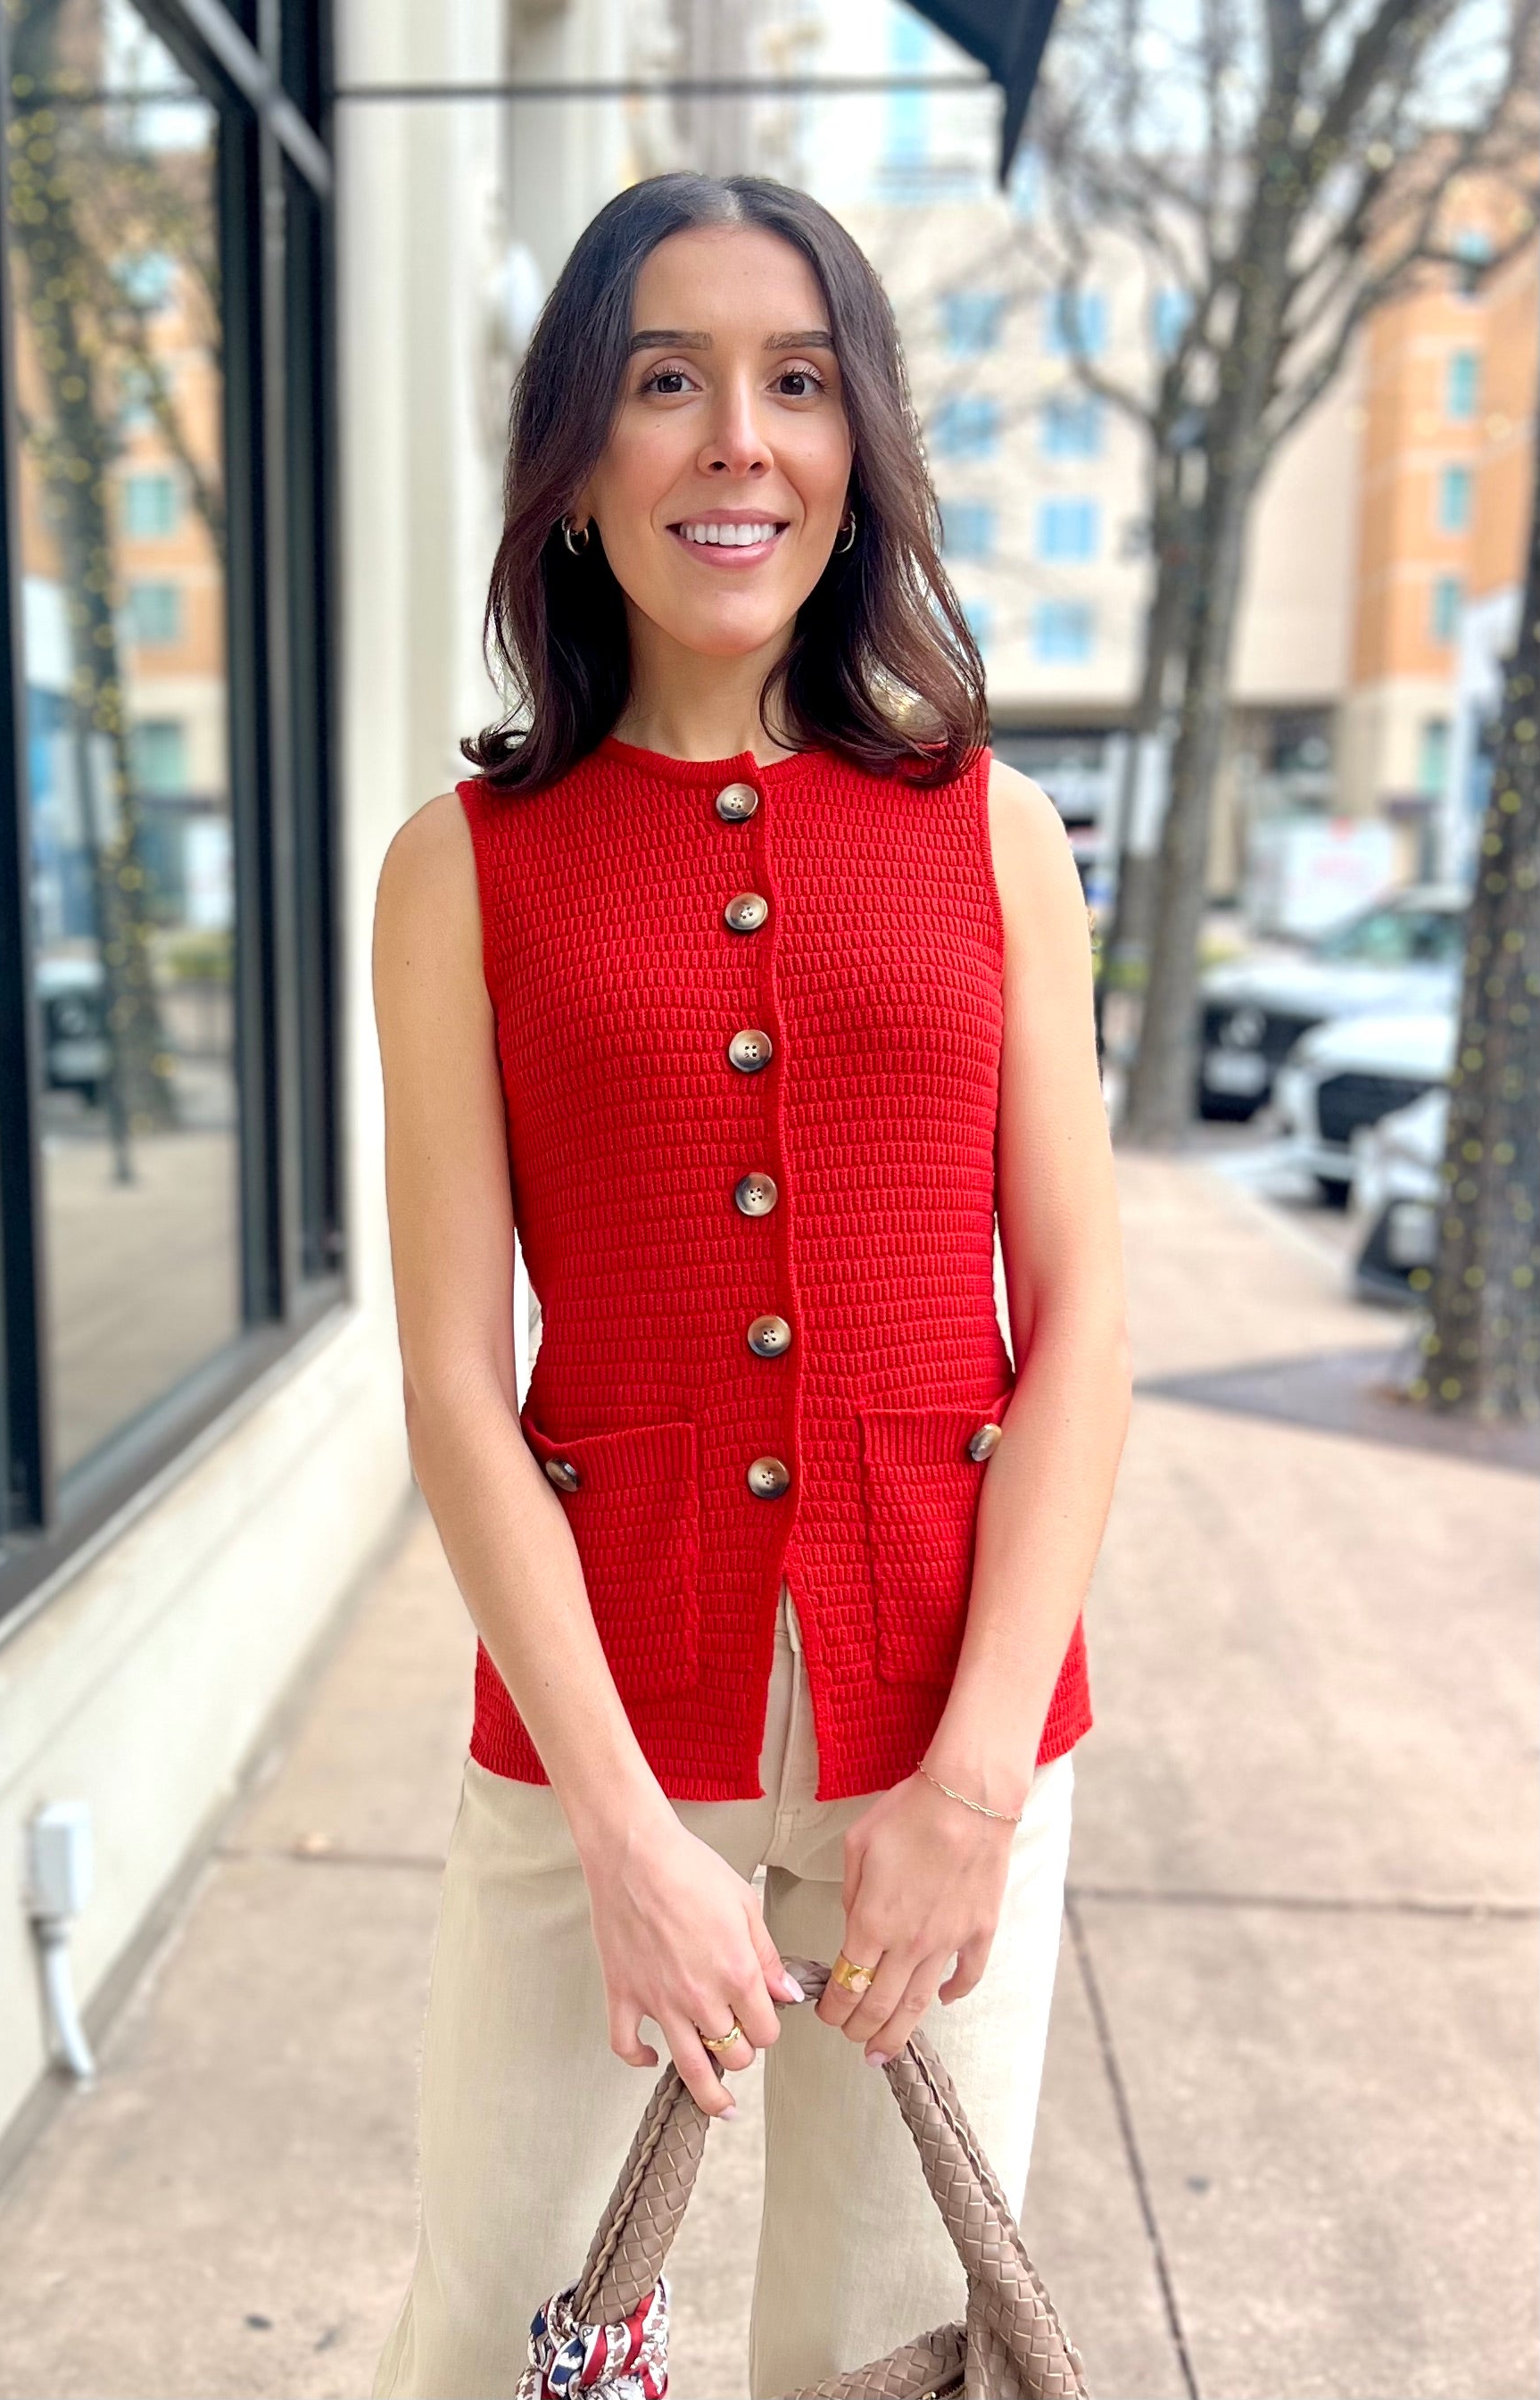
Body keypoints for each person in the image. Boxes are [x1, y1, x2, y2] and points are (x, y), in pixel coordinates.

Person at [368, 171, 1130, 2400]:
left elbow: (1080, 1323)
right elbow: (452, 1376)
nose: (737, 440)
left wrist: (970, 1791)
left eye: (796, 382)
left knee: (879, 2349)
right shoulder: (462, 871)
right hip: (602, 1731)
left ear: (855, 449)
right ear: (573, 461)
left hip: (948, 1737)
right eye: (664, 380)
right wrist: (621, 1834)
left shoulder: (992, 831)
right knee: (504, 2327)